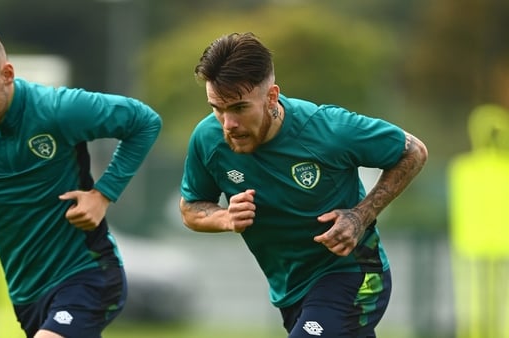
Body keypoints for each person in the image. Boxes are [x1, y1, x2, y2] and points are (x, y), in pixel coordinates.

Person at [0, 21, 162, 338]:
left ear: (6, 75)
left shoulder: (57, 109)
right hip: (26, 293)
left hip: (86, 273)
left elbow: (144, 122)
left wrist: (103, 194)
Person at [179, 32, 428, 338]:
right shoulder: (207, 139)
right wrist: (225, 217)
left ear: (271, 97)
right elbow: (190, 207)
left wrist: (360, 216)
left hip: (352, 275)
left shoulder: (328, 129)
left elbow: (413, 151)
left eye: (240, 108)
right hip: (292, 293)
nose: (228, 123)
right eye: (217, 108)